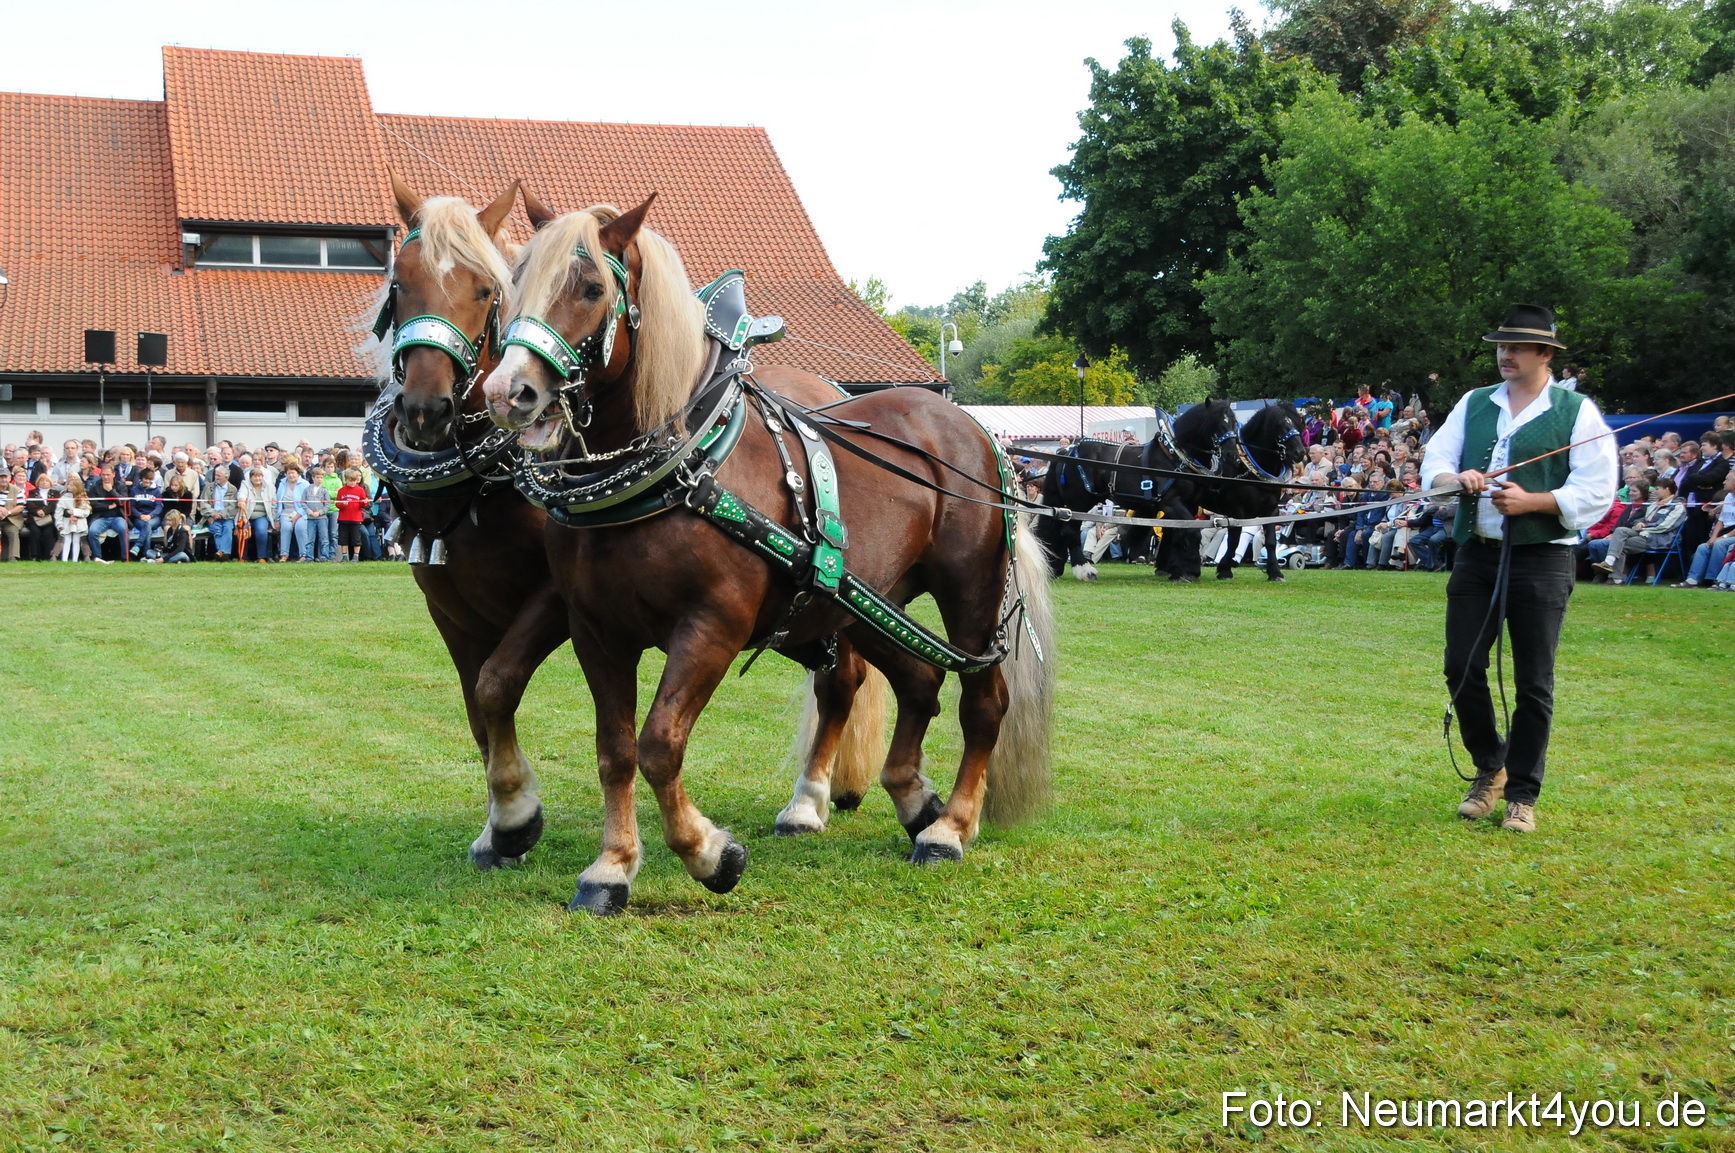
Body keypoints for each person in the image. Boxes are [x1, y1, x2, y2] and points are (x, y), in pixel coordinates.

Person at [1419, 304, 1616, 835]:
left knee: (1533, 682)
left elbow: (1598, 489)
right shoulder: (1474, 403)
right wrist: (1455, 476)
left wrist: (1535, 502)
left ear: (1545, 354)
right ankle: (1492, 767)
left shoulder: (1577, 412)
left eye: (1518, 347)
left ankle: (1523, 796)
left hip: (1543, 558)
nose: (1505, 355)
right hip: (1477, 553)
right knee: (1460, 666)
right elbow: (1433, 463)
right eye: (1501, 346)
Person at [1593, 477, 1684, 582]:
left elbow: (1665, 526)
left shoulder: (1677, 506)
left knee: (1620, 544)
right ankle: (1609, 563)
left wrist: (1644, 527)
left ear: (1667, 489)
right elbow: (1643, 518)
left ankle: (1615, 578)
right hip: (1642, 532)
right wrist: (1639, 523)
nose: (1655, 492)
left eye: (1658, 489)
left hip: (1658, 538)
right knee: (1620, 530)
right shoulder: (1654, 504)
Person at [85, 463, 130, 562]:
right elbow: (93, 504)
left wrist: (111, 490)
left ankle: (125, 557)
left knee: (123, 529)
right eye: (103, 475)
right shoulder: (95, 487)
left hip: (117, 517)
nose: (105, 477)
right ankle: (98, 557)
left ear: (113, 474)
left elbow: (122, 502)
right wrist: (108, 506)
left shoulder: (120, 486)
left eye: (108, 475)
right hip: (100, 517)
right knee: (92, 531)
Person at [236, 466, 277, 563]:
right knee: (242, 531)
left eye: (259, 476)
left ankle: (261, 557)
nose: (257, 478)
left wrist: (273, 516)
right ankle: (242, 556)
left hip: (261, 515)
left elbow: (274, 503)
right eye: (255, 476)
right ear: (250, 478)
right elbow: (241, 493)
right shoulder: (245, 484)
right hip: (246, 515)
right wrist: (241, 500)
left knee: (261, 531)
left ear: (262, 477)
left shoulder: (269, 486)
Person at [276, 463, 311, 561]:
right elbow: (278, 502)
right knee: (286, 528)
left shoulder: (305, 484)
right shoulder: (282, 483)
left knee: (300, 528)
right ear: (285, 474)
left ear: (298, 473)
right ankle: (284, 555)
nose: (291, 475)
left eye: (293, 473)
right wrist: (277, 518)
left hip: (301, 513)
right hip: (286, 512)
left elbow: (307, 502)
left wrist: (297, 515)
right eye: (289, 473)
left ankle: (304, 555)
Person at [200, 468, 238, 560]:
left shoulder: (233, 489)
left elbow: (232, 506)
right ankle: (224, 553)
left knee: (227, 529)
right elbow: (203, 502)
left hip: (227, 517)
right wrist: (212, 514)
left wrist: (220, 514)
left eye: (219, 476)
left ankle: (221, 552)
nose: (216, 477)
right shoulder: (209, 487)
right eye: (215, 475)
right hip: (212, 517)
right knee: (217, 530)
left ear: (226, 477)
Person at [334, 467, 368, 562]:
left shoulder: (360, 490)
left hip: (356, 519)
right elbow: (337, 504)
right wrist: (342, 504)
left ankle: (356, 556)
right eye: (350, 481)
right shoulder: (341, 490)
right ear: (346, 480)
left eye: (354, 481)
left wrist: (364, 502)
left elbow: (363, 504)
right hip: (343, 518)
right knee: (343, 538)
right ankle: (344, 556)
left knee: (356, 538)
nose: (352, 483)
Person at [55, 477, 91, 562]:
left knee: (76, 540)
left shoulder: (83, 498)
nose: (69, 486)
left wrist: (74, 512)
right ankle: (64, 560)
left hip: (79, 523)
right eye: (69, 485)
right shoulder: (64, 497)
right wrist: (59, 523)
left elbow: (86, 511)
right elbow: (58, 512)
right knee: (67, 540)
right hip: (66, 522)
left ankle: (75, 560)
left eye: (71, 485)